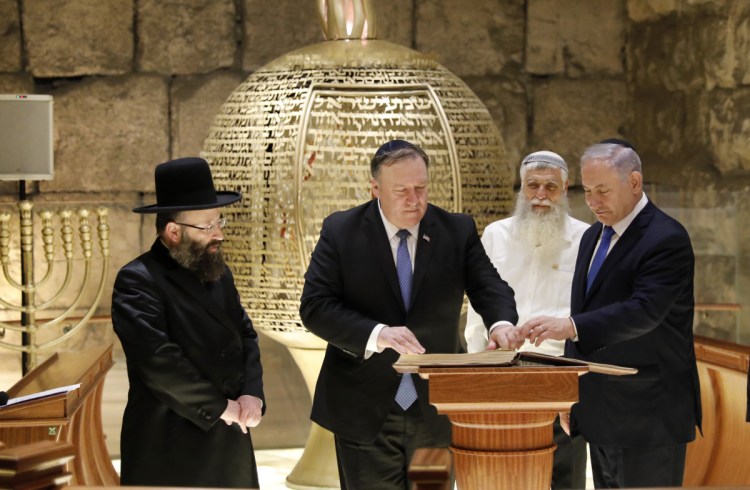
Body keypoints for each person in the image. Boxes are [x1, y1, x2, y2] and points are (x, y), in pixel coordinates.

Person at [299, 139, 518, 490]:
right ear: (375, 189)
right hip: (364, 407)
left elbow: (489, 286)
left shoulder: (456, 231)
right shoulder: (341, 231)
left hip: (433, 409)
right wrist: (377, 334)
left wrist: (502, 323)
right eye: (401, 190)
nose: (414, 200)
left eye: (421, 188)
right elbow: (315, 307)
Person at [519, 141, 702, 488]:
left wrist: (570, 326)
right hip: (600, 411)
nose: (592, 202)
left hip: (648, 414)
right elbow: (584, 310)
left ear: (634, 182)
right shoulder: (592, 236)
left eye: (602, 190)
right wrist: (569, 394)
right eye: (587, 191)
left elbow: (644, 311)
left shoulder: (666, 238)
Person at [111, 157, 265, 488]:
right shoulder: (137, 280)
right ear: (174, 231)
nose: (219, 234)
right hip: (170, 441)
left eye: (219, 221)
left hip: (230, 432)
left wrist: (253, 393)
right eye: (208, 226)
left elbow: (246, 335)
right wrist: (221, 407)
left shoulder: (218, 272)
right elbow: (158, 362)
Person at [464, 150, 589, 489]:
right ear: (521, 188)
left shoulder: (586, 239)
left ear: (565, 190)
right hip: (501, 373)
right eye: (532, 185)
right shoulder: (495, 235)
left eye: (551, 186)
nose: (540, 195)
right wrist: (477, 368)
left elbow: (589, 313)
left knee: (566, 473)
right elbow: (478, 308)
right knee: (500, 472)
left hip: (560, 375)